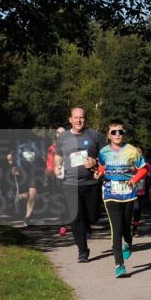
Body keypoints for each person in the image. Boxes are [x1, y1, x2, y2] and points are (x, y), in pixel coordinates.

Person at [96, 122, 147, 277]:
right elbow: (102, 167)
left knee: (126, 225)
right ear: (108, 135)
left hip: (128, 193)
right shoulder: (103, 152)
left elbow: (143, 169)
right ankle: (119, 265)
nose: (117, 134)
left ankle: (129, 241)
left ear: (124, 133)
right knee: (116, 228)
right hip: (110, 193)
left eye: (120, 132)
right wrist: (98, 173)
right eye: (114, 132)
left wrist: (134, 180)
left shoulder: (132, 150)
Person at [54, 107, 105, 262]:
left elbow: (105, 156)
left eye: (81, 117)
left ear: (85, 119)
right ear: (70, 119)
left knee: (93, 216)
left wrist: (96, 161)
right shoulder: (63, 138)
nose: (78, 120)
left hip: (91, 183)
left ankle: (88, 224)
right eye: (75, 118)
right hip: (70, 183)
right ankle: (82, 251)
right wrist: (57, 167)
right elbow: (58, 155)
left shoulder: (95, 136)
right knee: (76, 218)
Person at [7, 140, 43, 225]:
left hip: (35, 171)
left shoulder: (37, 140)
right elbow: (9, 156)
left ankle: (27, 217)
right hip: (22, 170)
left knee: (33, 194)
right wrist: (13, 166)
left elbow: (42, 154)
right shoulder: (17, 140)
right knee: (28, 194)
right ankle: (19, 197)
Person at [46, 126, 68, 235]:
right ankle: (62, 225)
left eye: (63, 133)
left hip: (72, 177)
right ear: (56, 135)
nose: (60, 135)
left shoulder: (72, 146)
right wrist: (52, 171)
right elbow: (49, 164)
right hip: (58, 177)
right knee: (61, 201)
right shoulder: (52, 148)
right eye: (58, 133)